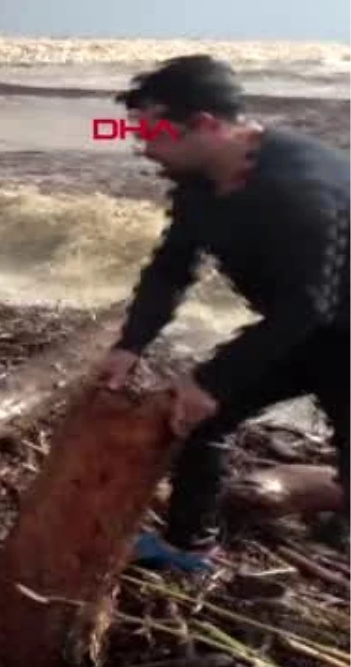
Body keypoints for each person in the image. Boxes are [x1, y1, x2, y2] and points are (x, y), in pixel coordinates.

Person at [96, 54, 351, 572]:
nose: (142, 147)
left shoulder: (300, 189)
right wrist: (131, 343)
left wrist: (211, 377)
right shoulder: (200, 184)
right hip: (303, 327)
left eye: (152, 133)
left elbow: (309, 302)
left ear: (207, 126)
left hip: (332, 324)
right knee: (198, 418)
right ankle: (189, 548)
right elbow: (172, 267)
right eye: (135, 132)